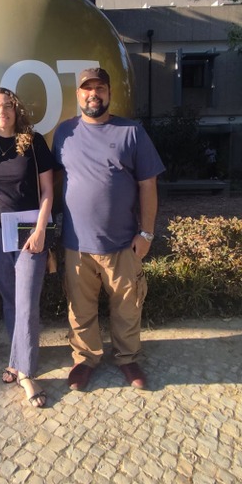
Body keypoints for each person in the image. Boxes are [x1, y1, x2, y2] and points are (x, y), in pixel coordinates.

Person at [52, 68, 165, 392]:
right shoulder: (64, 133)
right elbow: (49, 181)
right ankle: (84, 359)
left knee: (127, 308)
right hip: (77, 244)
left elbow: (148, 184)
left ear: (109, 92)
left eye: (100, 88)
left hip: (122, 244)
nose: (93, 94)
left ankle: (128, 358)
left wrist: (146, 234)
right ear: (78, 95)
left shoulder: (131, 132)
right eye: (87, 89)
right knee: (80, 309)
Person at [0, 88, 54, 408]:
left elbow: (48, 191)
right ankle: (16, 359)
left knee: (27, 302)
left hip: (30, 231)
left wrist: (41, 229)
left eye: (6, 106)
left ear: (16, 109)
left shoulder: (34, 142)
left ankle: (26, 373)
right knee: (10, 299)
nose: (1, 111)